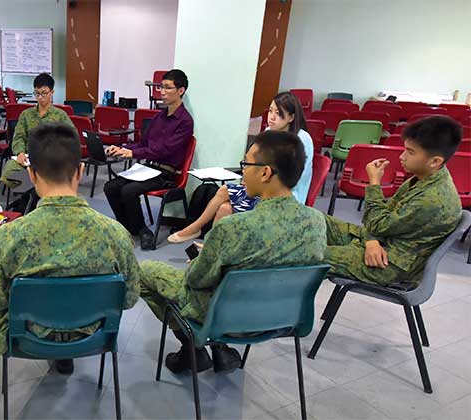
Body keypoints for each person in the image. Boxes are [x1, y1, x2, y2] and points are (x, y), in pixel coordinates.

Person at [139, 130, 326, 374]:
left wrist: (199, 263)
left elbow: (195, 281)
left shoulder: (233, 227)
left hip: (227, 319)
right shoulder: (317, 222)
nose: (242, 172)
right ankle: (218, 350)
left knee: (145, 271)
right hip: (285, 318)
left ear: (265, 173)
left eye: (246, 164)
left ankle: (193, 347)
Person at [0, 123, 141, 374]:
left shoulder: (8, 237)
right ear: (81, 171)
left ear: (31, 174)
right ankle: (68, 352)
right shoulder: (116, 235)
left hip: (28, 337)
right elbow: (129, 299)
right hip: (93, 335)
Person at [325, 115, 462, 287]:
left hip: (387, 263)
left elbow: (377, 224)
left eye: (410, 152)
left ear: (435, 161)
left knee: (307, 252)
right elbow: (380, 220)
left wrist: (374, 183)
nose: (402, 157)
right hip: (379, 244)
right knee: (313, 219)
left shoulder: (432, 200)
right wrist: (371, 241)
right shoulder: (423, 178)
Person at [168, 91, 314, 243]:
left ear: (291, 117)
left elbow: (293, 178)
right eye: (270, 111)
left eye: (278, 113)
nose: (271, 117)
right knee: (224, 205)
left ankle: (200, 235)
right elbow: (257, 163)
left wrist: (255, 180)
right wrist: (249, 177)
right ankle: (206, 242)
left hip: (282, 197)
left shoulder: (302, 140)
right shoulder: (269, 133)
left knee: (225, 197)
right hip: (262, 188)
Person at [103, 69, 194, 250]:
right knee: (110, 187)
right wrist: (123, 149)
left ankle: (143, 230)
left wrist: (133, 154)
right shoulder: (158, 117)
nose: (162, 92)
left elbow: (165, 150)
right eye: (161, 87)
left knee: (129, 191)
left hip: (167, 173)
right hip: (149, 168)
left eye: (167, 87)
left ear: (181, 90)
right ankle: (128, 227)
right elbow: (143, 144)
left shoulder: (185, 121)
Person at [0, 73, 73, 189]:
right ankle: (31, 189)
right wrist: (20, 153)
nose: (40, 97)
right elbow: (19, 137)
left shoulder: (60, 116)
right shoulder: (26, 115)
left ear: (52, 92)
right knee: (9, 172)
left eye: (44, 93)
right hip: (28, 158)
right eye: (37, 93)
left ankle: (34, 190)